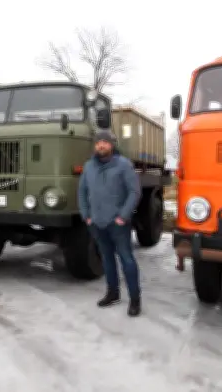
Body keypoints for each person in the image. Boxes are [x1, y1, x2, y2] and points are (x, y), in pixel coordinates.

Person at [77, 130, 143, 317]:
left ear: (111, 145)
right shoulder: (89, 166)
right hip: (97, 222)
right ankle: (112, 293)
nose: (101, 145)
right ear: (95, 145)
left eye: (105, 142)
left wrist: (123, 216)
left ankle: (135, 300)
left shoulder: (123, 165)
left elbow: (134, 192)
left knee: (127, 260)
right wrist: (86, 215)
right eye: (98, 142)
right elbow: (81, 192)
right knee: (106, 259)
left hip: (118, 223)